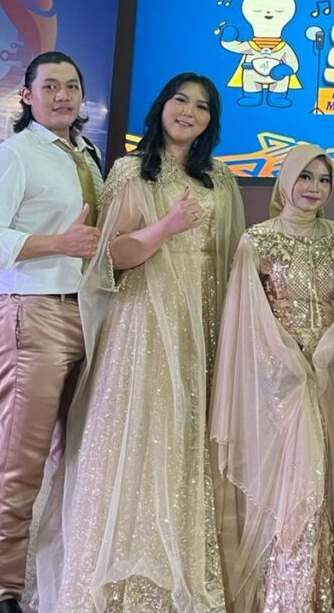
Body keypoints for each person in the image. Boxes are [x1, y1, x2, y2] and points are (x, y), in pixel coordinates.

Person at [34, 72, 245, 612]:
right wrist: (165, 227)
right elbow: (111, 257)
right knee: (137, 433)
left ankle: (175, 569)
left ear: (211, 121)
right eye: (180, 100)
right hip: (145, 318)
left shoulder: (220, 179)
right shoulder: (132, 171)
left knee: (184, 437)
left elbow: (227, 261)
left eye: (202, 106)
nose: (189, 112)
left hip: (199, 319)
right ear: (161, 107)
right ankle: (121, 579)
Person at [0, 51, 103, 613]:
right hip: (33, 314)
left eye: (72, 86)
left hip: (87, 315)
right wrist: (56, 244)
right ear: (27, 96)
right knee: (22, 462)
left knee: (77, 460)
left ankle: (58, 582)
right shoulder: (13, 155)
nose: (62, 95)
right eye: (50, 86)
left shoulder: (88, 155)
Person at [210, 143, 334, 613]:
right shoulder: (257, 241)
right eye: (305, 177)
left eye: (324, 180)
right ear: (286, 181)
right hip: (278, 382)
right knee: (289, 488)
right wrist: (289, 359)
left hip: (329, 381)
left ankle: (322, 597)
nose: (314, 188)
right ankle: (283, 597)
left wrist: (328, 351)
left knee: (326, 486)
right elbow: (247, 316)